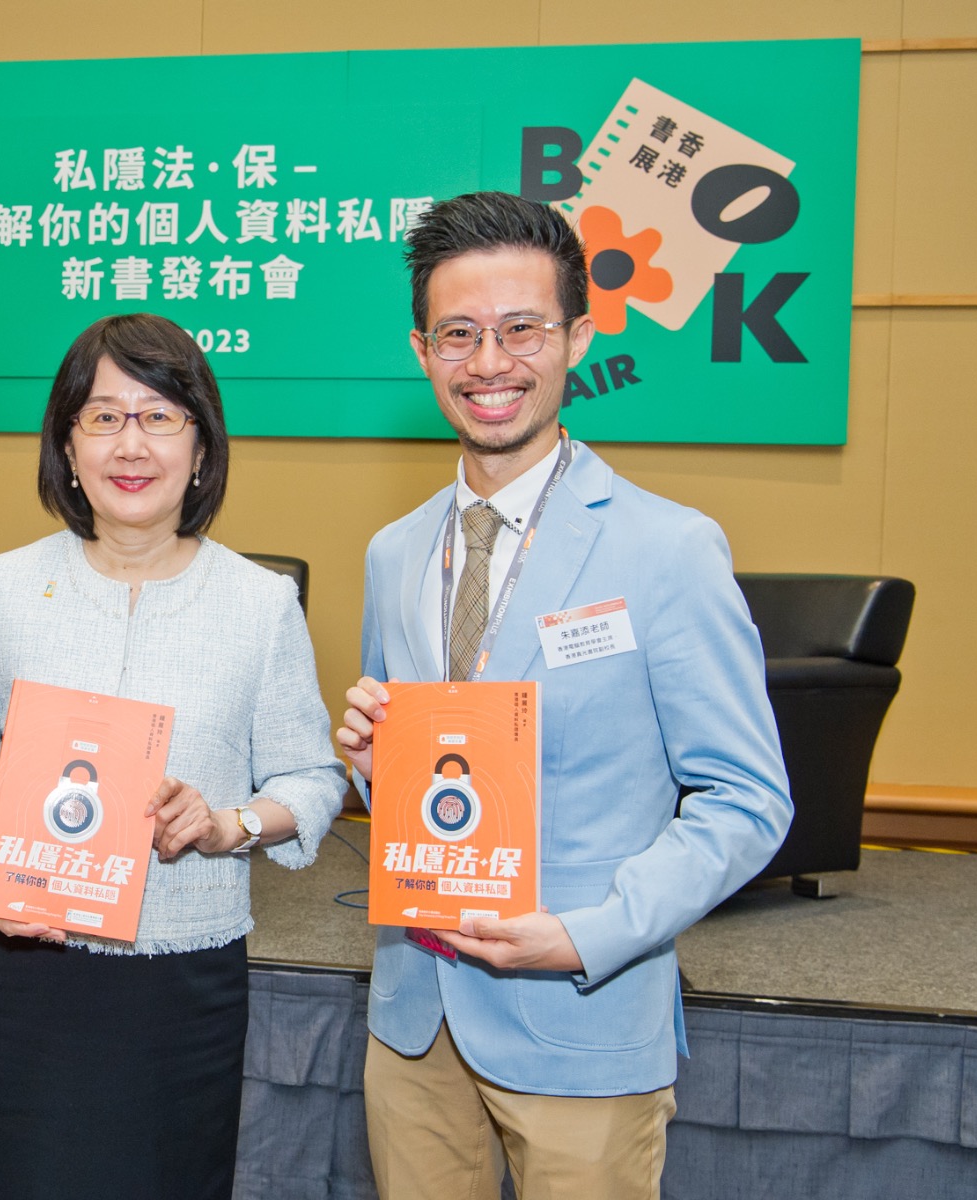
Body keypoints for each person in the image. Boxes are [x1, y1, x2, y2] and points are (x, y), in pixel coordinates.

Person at [339, 192, 792, 1200]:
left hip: (584, 1017)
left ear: (577, 338)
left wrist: (589, 934)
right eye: (458, 334)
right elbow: (429, 786)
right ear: (422, 351)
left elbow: (749, 801)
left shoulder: (667, 548)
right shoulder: (393, 552)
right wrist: (375, 767)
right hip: (415, 1020)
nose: (488, 362)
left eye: (521, 329)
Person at [0, 313, 348, 1200]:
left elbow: (312, 779)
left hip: (180, 977)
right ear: (66, 446)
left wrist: (225, 824)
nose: (131, 444)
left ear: (201, 448)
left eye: (159, 417)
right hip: (27, 964)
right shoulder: (6, 587)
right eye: (103, 417)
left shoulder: (259, 603)